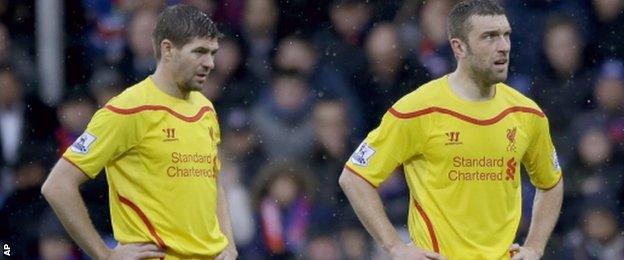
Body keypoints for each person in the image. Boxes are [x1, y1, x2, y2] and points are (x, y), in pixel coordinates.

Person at [338, 1, 564, 259]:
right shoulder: (418, 109)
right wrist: (395, 246)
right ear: (459, 47)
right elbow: (354, 177)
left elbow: (551, 183)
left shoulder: (527, 114)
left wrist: (535, 246)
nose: (503, 46)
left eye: (506, 35)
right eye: (489, 37)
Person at [41, 5, 238, 259]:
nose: (210, 63)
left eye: (212, 53)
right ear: (167, 49)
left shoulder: (205, 108)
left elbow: (213, 180)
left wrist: (228, 244)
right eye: (199, 52)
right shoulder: (127, 110)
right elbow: (57, 185)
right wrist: (105, 254)